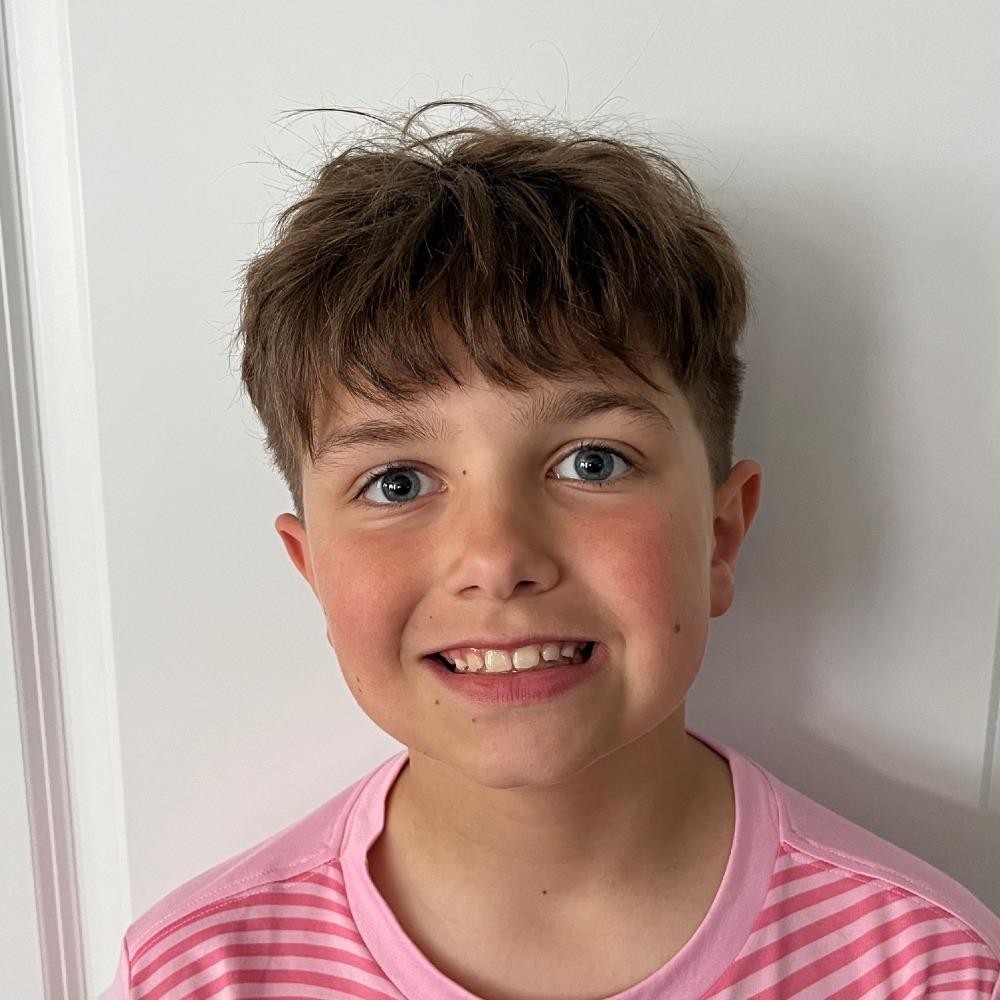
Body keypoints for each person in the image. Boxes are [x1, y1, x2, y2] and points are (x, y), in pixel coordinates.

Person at [103, 99, 1000, 1000]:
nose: (497, 559)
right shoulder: (194, 976)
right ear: (314, 572)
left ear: (720, 536)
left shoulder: (933, 972)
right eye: (398, 483)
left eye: (592, 462)